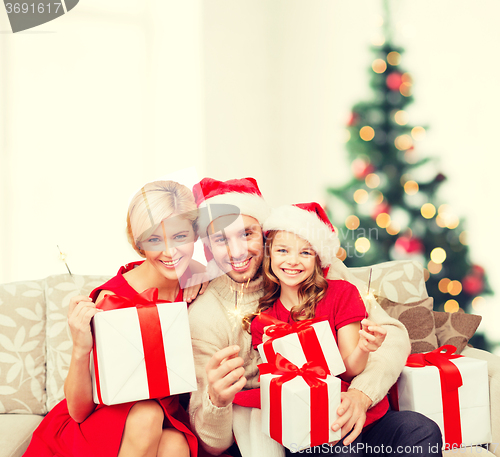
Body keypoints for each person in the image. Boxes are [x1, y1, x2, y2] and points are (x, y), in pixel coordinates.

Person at [188, 177, 442, 457]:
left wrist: (362, 394)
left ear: (264, 234)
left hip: (350, 409)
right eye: (221, 239)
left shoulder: (316, 270)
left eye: (247, 234)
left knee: (420, 430)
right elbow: (212, 444)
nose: (237, 251)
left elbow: (392, 336)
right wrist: (217, 399)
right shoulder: (204, 314)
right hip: (286, 430)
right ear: (208, 245)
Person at [24, 180, 207, 457]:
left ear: (195, 234)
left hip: (165, 420)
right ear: (139, 243)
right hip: (102, 423)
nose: (170, 252)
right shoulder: (113, 300)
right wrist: (80, 347)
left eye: (180, 237)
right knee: (148, 414)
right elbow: (78, 411)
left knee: (176, 445)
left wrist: (202, 271)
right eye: (155, 239)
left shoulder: (199, 279)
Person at [248, 202, 390, 455]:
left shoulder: (341, 293)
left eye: (305, 253)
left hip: (361, 417)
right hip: (311, 428)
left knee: (419, 428)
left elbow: (349, 370)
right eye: (282, 250)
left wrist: (364, 348)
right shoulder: (264, 322)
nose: (293, 261)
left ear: (317, 259)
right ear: (269, 256)